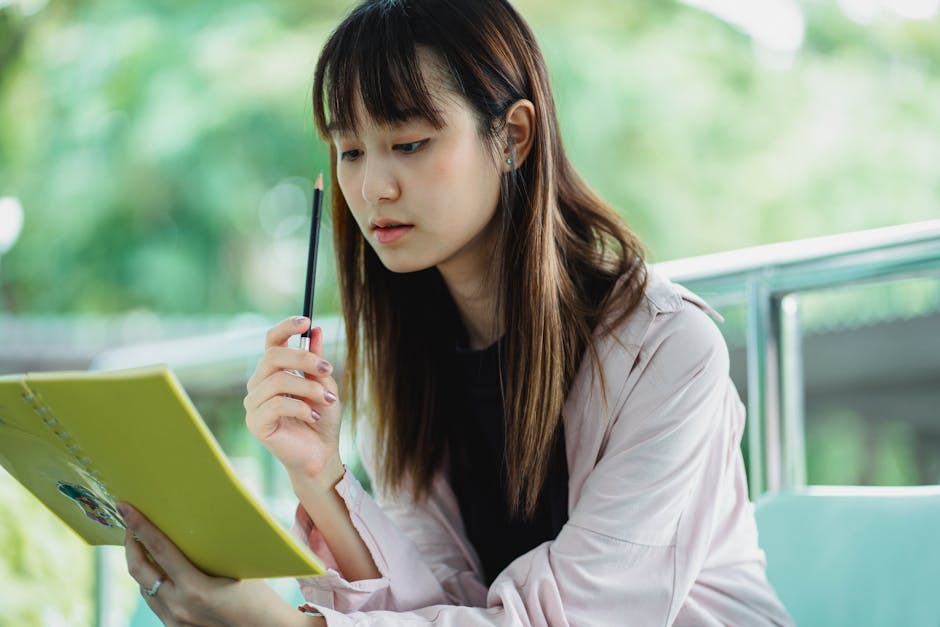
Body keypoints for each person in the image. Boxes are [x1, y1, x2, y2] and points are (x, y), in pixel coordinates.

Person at [120, 0, 794, 624]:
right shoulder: (407, 359)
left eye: (409, 144)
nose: (372, 187)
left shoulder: (669, 350)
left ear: (514, 137)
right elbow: (438, 603)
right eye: (350, 150)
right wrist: (318, 474)